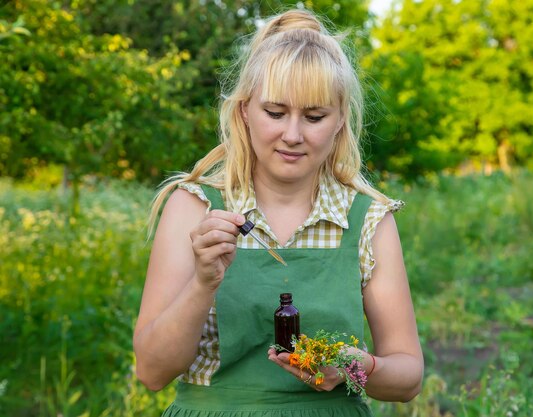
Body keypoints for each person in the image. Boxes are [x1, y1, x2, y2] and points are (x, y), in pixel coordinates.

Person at [133, 8, 424, 417]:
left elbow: (408, 378)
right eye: (275, 113)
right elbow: (151, 371)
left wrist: (353, 367)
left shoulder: (367, 219)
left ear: (340, 120)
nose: (292, 135)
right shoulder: (194, 207)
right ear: (244, 111)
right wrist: (202, 282)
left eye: (314, 116)